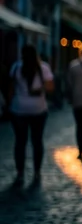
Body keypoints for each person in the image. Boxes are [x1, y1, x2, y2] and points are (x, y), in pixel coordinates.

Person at [7, 44, 55, 186]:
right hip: (38, 109)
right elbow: (51, 88)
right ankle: (37, 171)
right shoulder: (44, 68)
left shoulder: (16, 67)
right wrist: (40, 89)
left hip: (19, 108)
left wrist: (9, 105)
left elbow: (10, 89)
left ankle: (20, 172)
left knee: (20, 142)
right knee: (37, 141)